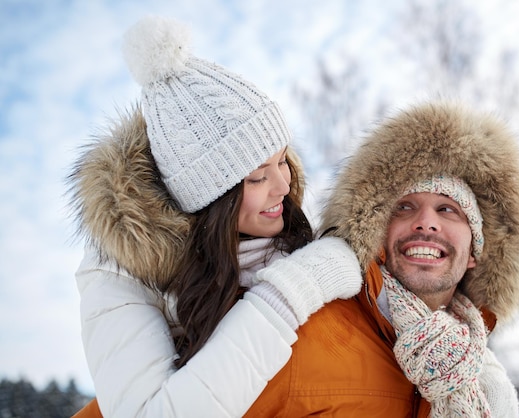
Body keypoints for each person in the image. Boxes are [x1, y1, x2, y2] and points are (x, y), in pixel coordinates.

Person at [68, 16, 362, 418]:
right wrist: (288, 293)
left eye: (282, 161)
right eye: (257, 176)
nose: (282, 186)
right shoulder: (117, 274)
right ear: (210, 199)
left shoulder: (278, 232)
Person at [243, 101, 519, 417]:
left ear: (476, 254)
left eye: (447, 209)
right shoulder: (301, 335)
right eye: (404, 207)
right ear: (378, 233)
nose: (426, 222)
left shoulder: (490, 387)